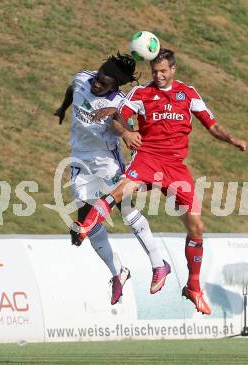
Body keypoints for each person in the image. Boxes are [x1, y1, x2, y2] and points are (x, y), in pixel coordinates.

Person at [72, 48, 247, 315]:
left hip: (176, 166)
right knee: (122, 193)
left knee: (196, 226)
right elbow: (120, 117)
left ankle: (193, 287)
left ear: (173, 70)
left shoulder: (188, 94)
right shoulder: (141, 93)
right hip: (148, 158)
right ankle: (87, 226)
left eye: (163, 71)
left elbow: (212, 125)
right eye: (155, 71)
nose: (159, 75)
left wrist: (232, 139)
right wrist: (127, 132)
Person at [54, 53, 170, 306]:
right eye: (97, 79)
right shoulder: (83, 78)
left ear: (115, 86)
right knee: (86, 222)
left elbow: (125, 120)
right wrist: (63, 107)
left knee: (126, 210)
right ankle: (118, 273)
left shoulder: (119, 101)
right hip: (79, 160)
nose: (97, 84)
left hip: (107, 161)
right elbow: (73, 89)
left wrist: (125, 129)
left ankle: (159, 264)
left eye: (103, 83)